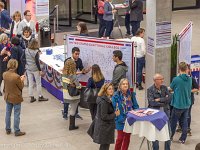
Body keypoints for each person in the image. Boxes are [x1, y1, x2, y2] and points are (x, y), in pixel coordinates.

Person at [63, 47, 91, 120]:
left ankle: (75, 113)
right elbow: (69, 73)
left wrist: (86, 70)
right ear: (72, 53)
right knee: (67, 98)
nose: (77, 55)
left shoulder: (79, 61)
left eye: (78, 54)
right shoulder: (68, 61)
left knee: (75, 98)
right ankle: (65, 113)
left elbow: (82, 70)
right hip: (67, 82)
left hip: (74, 82)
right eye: (76, 54)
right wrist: (80, 73)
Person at [112, 78, 139, 150]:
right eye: (123, 84)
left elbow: (136, 106)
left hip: (129, 119)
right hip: (120, 120)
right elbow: (114, 108)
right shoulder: (116, 96)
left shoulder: (131, 94)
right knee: (120, 138)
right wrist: (119, 118)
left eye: (126, 84)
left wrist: (135, 114)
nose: (125, 85)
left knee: (127, 138)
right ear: (120, 86)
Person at [87, 83, 115, 150]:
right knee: (105, 146)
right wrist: (115, 114)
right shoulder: (104, 102)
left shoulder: (105, 99)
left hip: (104, 127)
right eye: (109, 89)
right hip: (104, 128)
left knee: (104, 146)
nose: (112, 90)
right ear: (105, 90)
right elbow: (104, 116)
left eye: (112, 89)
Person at [169, 62, 192, 144]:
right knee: (184, 122)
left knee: (173, 122)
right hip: (187, 104)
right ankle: (183, 139)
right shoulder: (190, 79)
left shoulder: (176, 79)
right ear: (186, 69)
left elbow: (171, 88)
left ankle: (170, 137)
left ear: (179, 69)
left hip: (178, 105)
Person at [147, 74, 171, 150]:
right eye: (160, 79)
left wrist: (159, 99)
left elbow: (169, 99)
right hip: (155, 115)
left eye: (162, 78)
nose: (162, 80)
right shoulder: (150, 89)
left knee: (168, 133)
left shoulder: (164, 88)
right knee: (155, 134)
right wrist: (164, 100)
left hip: (165, 113)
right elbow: (152, 103)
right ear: (155, 80)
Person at [3, 59, 26, 136]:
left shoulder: (4, 74)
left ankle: (7, 129)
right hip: (16, 97)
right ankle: (17, 130)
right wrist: (22, 80)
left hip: (8, 96)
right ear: (15, 66)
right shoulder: (16, 77)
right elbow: (21, 87)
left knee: (8, 113)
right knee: (16, 114)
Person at [176, 65, 199, 136]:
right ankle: (180, 126)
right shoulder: (177, 78)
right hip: (180, 100)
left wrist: (189, 91)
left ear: (188, 70)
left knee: (187, 114)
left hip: (189, 99)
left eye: (186, 69)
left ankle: (188, 129)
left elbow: (197, 88)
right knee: (179, 114)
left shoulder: (191, 79)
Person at [62, 59, 82, 130]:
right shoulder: (73, 76)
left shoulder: (63, 74)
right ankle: (71, 125)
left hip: (66, 94)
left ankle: (71, 124)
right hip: (73, 95)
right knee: (73, 110)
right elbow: (78, 86)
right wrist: (80, 85)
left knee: (70, 108)